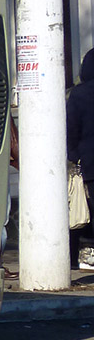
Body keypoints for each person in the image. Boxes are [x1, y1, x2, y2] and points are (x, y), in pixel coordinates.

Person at [66, 48, 94, 270]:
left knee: (79, 212)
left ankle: (73, 262)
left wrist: (74, 156)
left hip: (88, 164)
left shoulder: (79, 94)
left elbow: (71, 129)